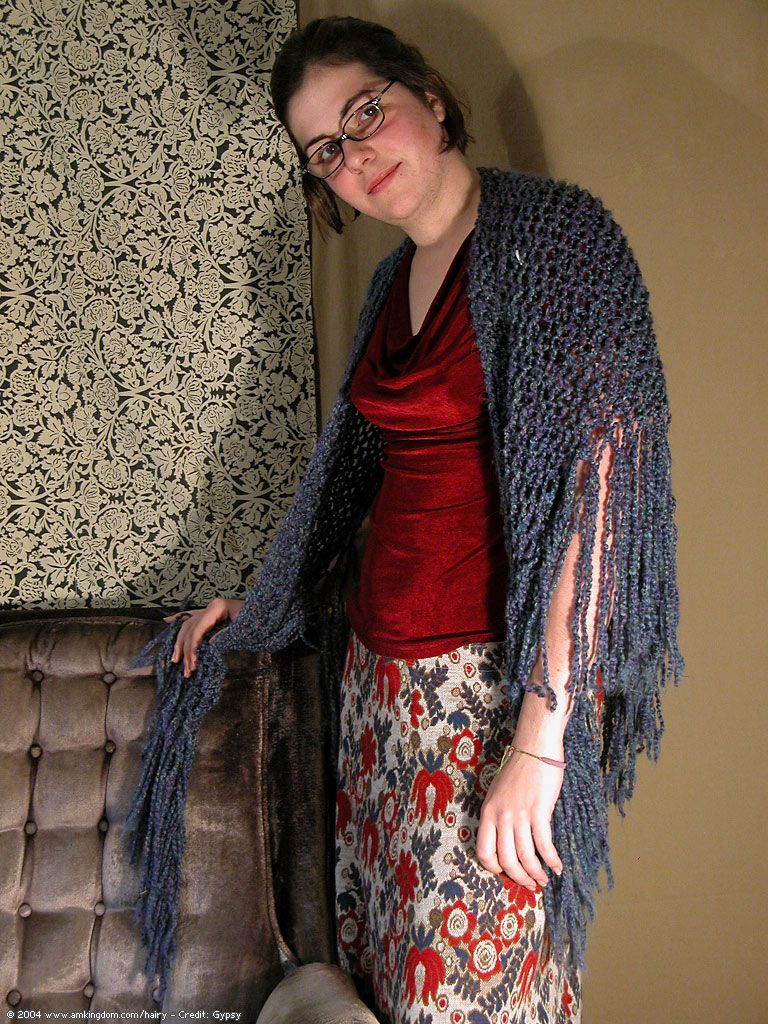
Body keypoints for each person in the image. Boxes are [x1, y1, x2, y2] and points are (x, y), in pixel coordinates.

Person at [136, 15, 684, 1023]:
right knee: (383, 985)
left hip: (487, 699)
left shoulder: (555, 239)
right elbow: (351, 482)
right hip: (376, 690)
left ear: (429, 97)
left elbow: (599, 492)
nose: (353, 157)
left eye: (364, 114)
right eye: (324, 149)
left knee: (473, 996)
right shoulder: (391, 283)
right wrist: (261, 605)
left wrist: (543, 739)